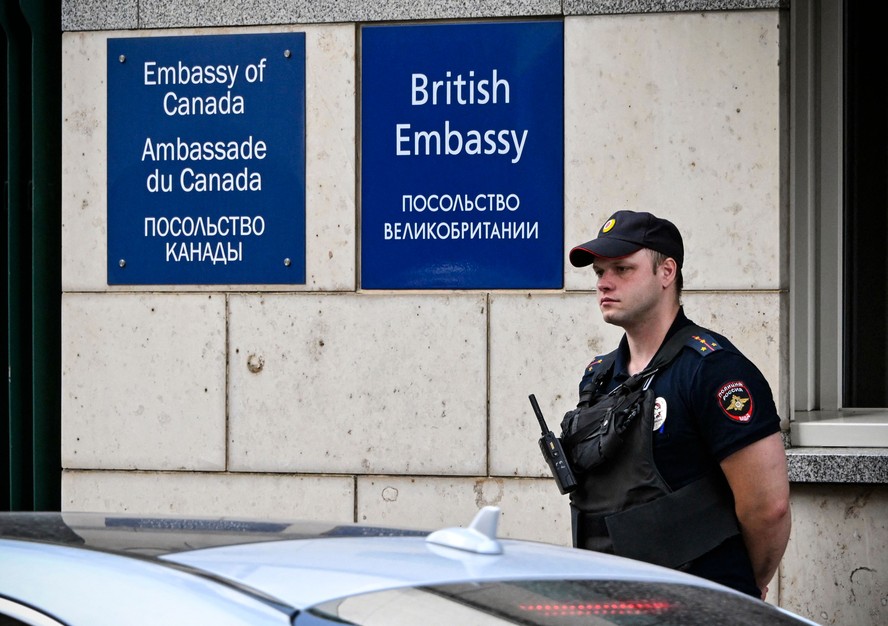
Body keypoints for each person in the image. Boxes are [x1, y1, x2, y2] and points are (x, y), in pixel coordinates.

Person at [562, 209, 791, 600]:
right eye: (599, 272)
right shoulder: (598, 376)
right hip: (609, 598)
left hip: (699, 604)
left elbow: (768, 508)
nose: (604, 283)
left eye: (622, 269)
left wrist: (743, 589)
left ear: (666, 272)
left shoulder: (712, 370)